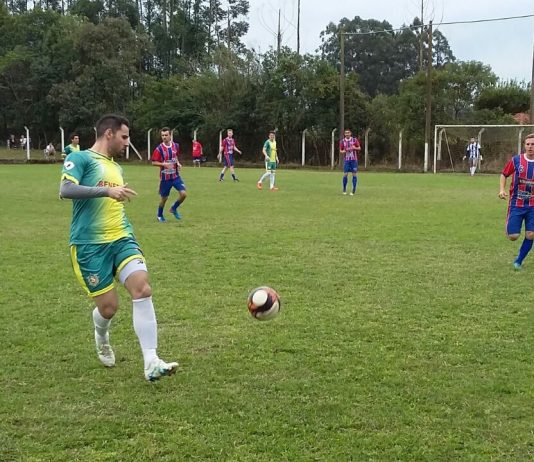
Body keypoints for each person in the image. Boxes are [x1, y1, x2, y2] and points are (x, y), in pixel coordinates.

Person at [59, 114, 178, 381]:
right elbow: (65, 189)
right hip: (89, 245)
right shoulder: (81, 158)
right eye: (124, 137)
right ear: (109, 134)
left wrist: (116, 195)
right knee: (109, 308)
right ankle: (101, 335)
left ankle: (151, 361)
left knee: (142, 288)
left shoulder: (115, 167)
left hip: (122, 238)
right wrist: (106, 191)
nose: (127, 142)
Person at [498, 133, 534, 270]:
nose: (530, 147)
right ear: (524, 145)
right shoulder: (516, 160)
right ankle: (510, 226)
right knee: (513, 236)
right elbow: (504, 174)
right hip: (516, 203)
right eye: (528, 144)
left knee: (531, 234)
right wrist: (502, 189)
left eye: (533, 144)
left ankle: (518, 261)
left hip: (533, 205)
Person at [151, 127, 187, 222]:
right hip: (165, 178)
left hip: (175, 176)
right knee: (164, 198)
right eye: (162, 135)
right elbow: (153, 162)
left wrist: (178, 163)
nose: (164, 137)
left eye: (166, 135)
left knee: (183, 194)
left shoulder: (176, 146)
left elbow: (175, 156)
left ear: (170, 135)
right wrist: (164, 164)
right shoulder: (159, 149)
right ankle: (159, 215)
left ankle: (173, 208)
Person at [339, 129, 361, 195]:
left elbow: (359, 148)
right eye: (346, 133)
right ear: (344, 134)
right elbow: (341, 150)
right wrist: (344, 151)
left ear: (350, 133)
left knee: (354, 174)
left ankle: (353, 190)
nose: (347, 134)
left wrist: (354, 148)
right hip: (347, 160)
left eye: (348, 133)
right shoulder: (342, 141)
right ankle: (344, 189)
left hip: (354, 160)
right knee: (345, 174)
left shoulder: (354, 140)